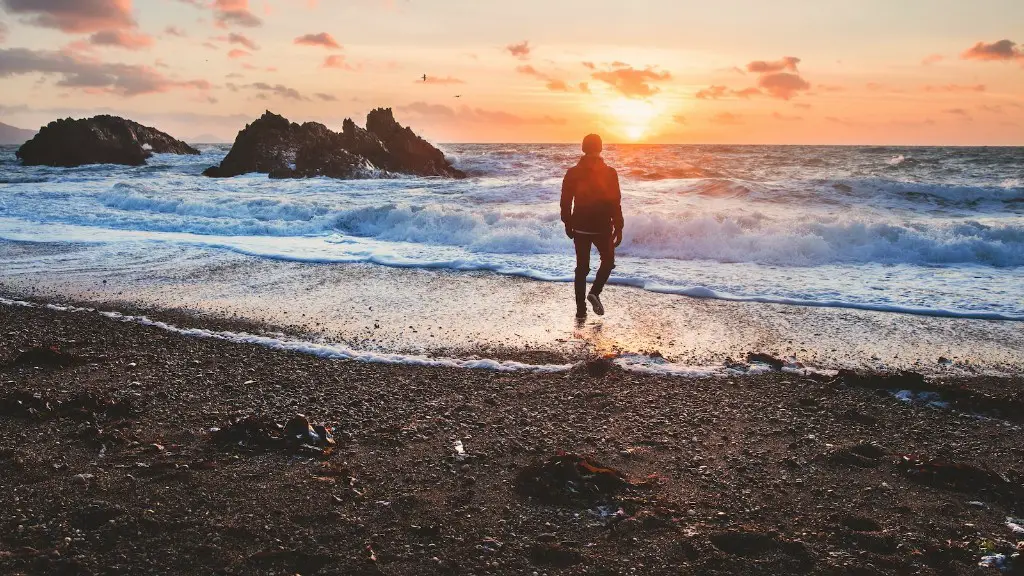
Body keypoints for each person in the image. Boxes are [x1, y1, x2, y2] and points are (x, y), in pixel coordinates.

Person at [560, 133, 623, 319]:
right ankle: (594, 292)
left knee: (581, 268)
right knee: (608, 261)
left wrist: (567, 222)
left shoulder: (572, 172)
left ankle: (580, 310)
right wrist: (618, 226)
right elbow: (615, 201)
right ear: (601, 148)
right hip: (602, 225)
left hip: (580, 225)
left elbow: (565, 200)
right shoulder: (610, 172)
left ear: (583, 148)